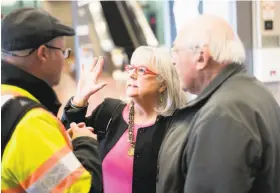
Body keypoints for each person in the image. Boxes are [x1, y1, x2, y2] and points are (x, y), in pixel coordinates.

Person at [157, 14, 280, 193]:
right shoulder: (254, 92)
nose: (173, 60)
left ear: (201, 57)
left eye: (175, 51)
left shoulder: (222, 115)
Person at [1, 8, 102, 193]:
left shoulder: (7, 99)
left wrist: (75, 107)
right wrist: (85, 143)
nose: (65, 61)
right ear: (43, 54)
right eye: (63, 52)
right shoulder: (30, 124)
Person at [62, 46, 187, 193]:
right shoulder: (108, 112)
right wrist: (79, 99)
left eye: (141, 70)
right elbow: (65, 139)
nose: (132, 75)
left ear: (163, 84)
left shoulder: (174, 128)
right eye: (131, 68)